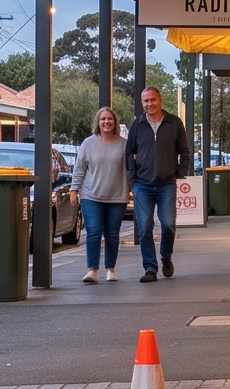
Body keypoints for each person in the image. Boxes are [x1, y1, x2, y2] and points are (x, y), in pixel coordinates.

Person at [125, 86, 190, 283]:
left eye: (153, 100)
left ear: (160, 100)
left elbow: (185, 151)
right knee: (144, 227)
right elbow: (129, 153)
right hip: (142, 185)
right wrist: (133, 179)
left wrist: (180, 172)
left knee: (168, 224)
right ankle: (150, 268)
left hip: (166, 184)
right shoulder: (137, 125)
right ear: (142, 103)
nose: (149, 104)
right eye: (145, 101)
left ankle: (166, 256)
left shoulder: (174, 123)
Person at [74, 106, 129, 284]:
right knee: (94, 232)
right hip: (91, 195)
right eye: (103, 119)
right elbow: (79, 168)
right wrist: (74, 190)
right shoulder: (88, 143)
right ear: (98, 122)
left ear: (115, 122)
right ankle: (92, 270)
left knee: (112, 234)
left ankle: (110, 269)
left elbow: (130, 170)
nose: (107, 122)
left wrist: (133, 188)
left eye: (110, 119)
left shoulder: (124, 144)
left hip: (117, 196)